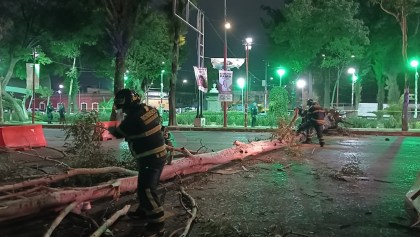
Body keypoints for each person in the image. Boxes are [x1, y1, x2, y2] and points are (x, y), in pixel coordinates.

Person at [108, 89, 166, 236]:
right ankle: (143, 211)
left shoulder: (131, 121)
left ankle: (157, 222)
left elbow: (116, 132)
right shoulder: (150, 110)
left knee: (146, 189)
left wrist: (115, 120)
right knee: (143, 185)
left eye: (122, 106)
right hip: (158, 154)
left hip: (150, 158)